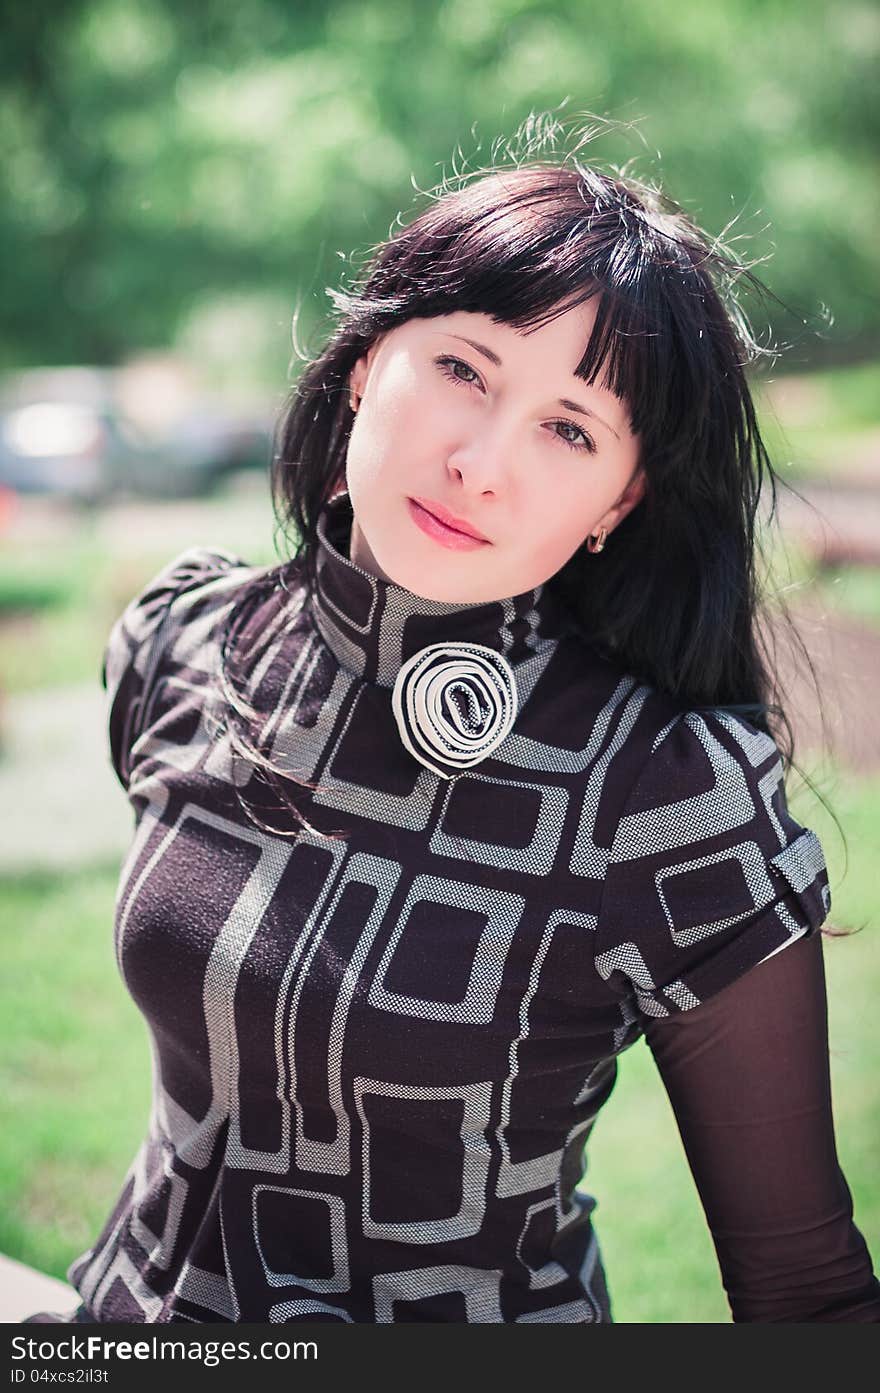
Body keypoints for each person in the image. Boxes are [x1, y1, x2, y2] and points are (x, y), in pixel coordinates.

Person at [23, 129, 880, 1324]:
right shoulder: (183, 642)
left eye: (568, 428)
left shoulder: (666, 794)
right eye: (465, 369)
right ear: (371, 360)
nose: (481, 463)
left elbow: (804, 1288)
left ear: (615, 503)